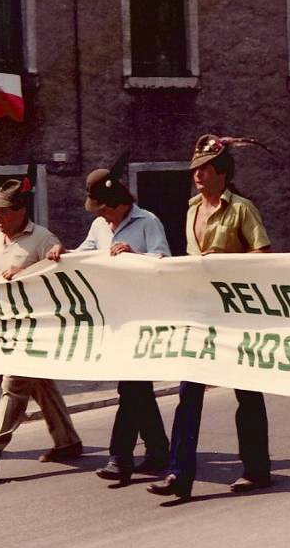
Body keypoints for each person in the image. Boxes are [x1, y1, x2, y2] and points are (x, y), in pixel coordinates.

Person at [147, 134, 273, 501]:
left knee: (247, 392)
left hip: (236, 315)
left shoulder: (241, 209)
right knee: (189, 394)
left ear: (222, 173)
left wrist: (223, 267)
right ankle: (179, 473)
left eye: (205, 170)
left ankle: (256, 468)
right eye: (195, 170)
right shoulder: (191, 209)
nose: (198, 176)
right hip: (200, 314)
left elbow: (263, 255)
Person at [47, 153, 172, 486]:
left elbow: (164, 261)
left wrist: (135, 255)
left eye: (104, 207)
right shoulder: (100, 226)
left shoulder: (148, 222)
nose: (101, 214)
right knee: (137, 388)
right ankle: (159, 451)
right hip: (114, 318)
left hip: (143, 318)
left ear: (118, 202)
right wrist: (63, 253)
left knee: (131, 388)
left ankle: (120, 457)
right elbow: (85, 255)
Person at [0, 176, 83, 480]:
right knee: (40, 383)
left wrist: (31, 270)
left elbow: (62, 275)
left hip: (37, 327)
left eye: (3, 211)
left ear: (21, 211)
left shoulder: (43, 238)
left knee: (14, 385)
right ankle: (68, 442)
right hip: (10, 325)